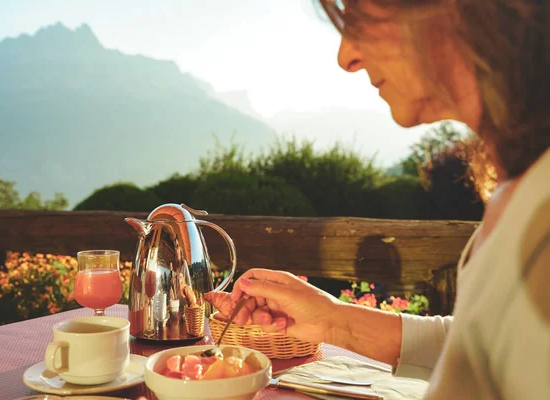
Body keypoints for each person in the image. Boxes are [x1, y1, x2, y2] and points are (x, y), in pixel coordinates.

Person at [214, 1, 550, 399]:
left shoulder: (541, 221)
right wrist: (336, 322)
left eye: (358, 14)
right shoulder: (523, 189)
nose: (346, 57)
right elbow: (481, 344)